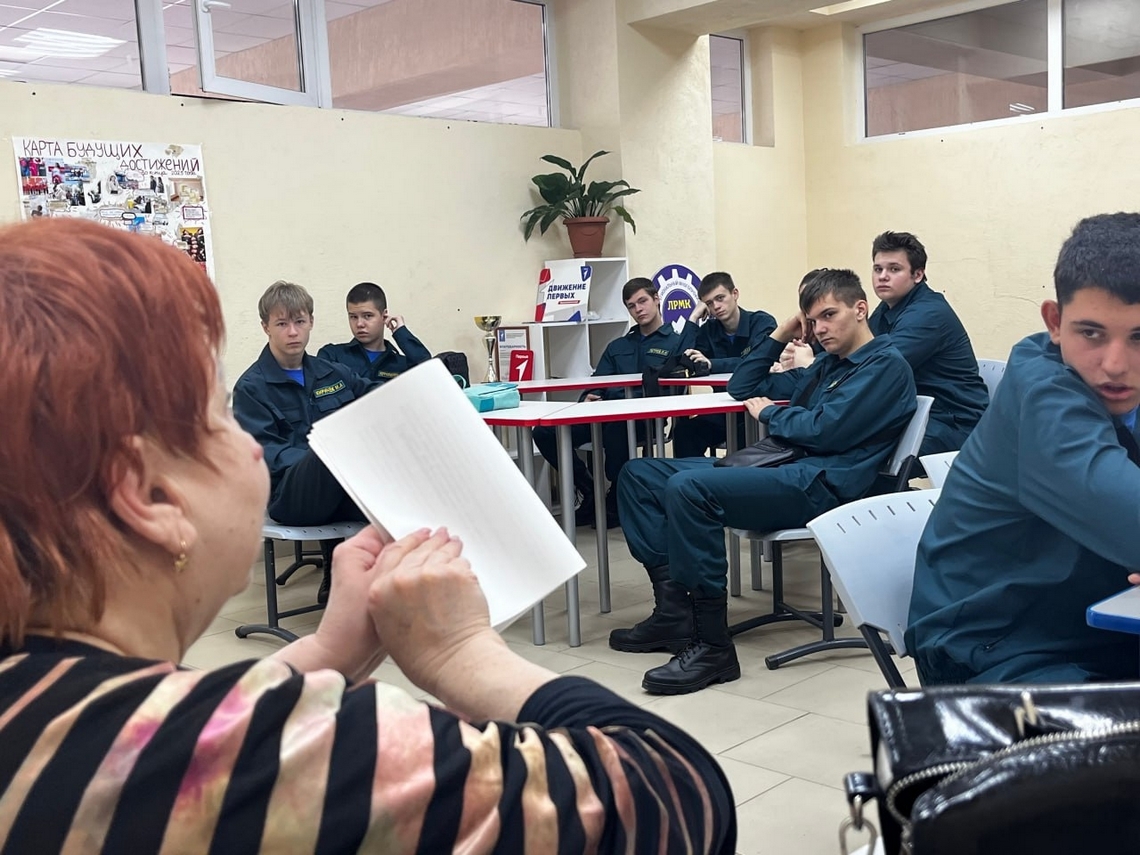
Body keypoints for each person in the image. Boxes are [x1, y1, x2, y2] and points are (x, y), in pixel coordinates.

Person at [0, 218, 736, 854]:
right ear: (147, 495)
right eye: (215, 420)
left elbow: (188, 719)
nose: (244, 445)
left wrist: (328, 652)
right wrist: (461, 653)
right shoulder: (294, 759)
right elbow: (675, 798)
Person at [612, 269, 916, 695]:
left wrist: (772, 414)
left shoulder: (884, 367)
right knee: (639, 475)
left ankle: (712, 646)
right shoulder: (829, 363)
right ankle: (674, 614)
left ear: (860, 309)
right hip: (780, 466)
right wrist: (780, 334)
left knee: (689, 490)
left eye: (829, 315)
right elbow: (743, 386)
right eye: (812, 320)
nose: (820, 328)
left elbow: (824, 431)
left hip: (821, 485)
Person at [906, 212, 1140, 686]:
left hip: (1087, 622)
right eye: (1091, 333)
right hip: (994, 651)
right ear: (1054, 322)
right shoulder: (1044, 395)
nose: (1115, 365)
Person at [233, 281, 374, 604]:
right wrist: (329, 456)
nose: (293, 332)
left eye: (299, 321)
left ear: (311, 321)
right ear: (266, 327)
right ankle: (341, 574)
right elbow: (267, 454)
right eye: (282, 324)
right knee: (329, 448)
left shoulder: (333, 373)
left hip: (342, 485)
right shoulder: (252, 387)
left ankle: (388, 583)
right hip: (291, 496)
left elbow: (376, 398)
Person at [532, 277, 685, 528]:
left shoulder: (675, 343)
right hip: (604, 414)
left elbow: (669, 391)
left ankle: (616, 496)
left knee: (618, 426)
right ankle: (589, 490)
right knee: (545, 432)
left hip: (645, 419)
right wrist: (588, 396)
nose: (638, 309)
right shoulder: (618, 345)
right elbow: (597, 381)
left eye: (643, 301)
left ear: (657, 299)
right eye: (631, 306)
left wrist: (616, 399)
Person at [868, 230, 988, 454]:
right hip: (920, 414)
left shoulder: (928, 314)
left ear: (917, 275)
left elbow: (876, 367)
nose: (883, 276)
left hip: (955, 425)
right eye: (878, 269)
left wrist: (813, 363)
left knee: (860, 447)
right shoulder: (887, 307)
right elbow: (858, 349)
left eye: (894, 269)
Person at [672, 271, 776, 457]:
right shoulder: (708, 330)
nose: (716, 306)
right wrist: (693, 318)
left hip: (754, 407)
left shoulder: (762, 322)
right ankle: (695, 475)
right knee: (684, 432)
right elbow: (680, 363)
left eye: (720, 298)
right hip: (722, 409)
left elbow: (757, 363)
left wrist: (712, 364)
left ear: (735, 294)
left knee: (746, 438)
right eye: (709, 303)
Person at [318, 281, 432, 382]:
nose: (359, 324)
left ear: (384, 316)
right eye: (353, 317)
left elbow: (429, 373)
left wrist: (401, 333)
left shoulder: (401, 364)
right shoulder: (332, 355)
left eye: (367, 316)